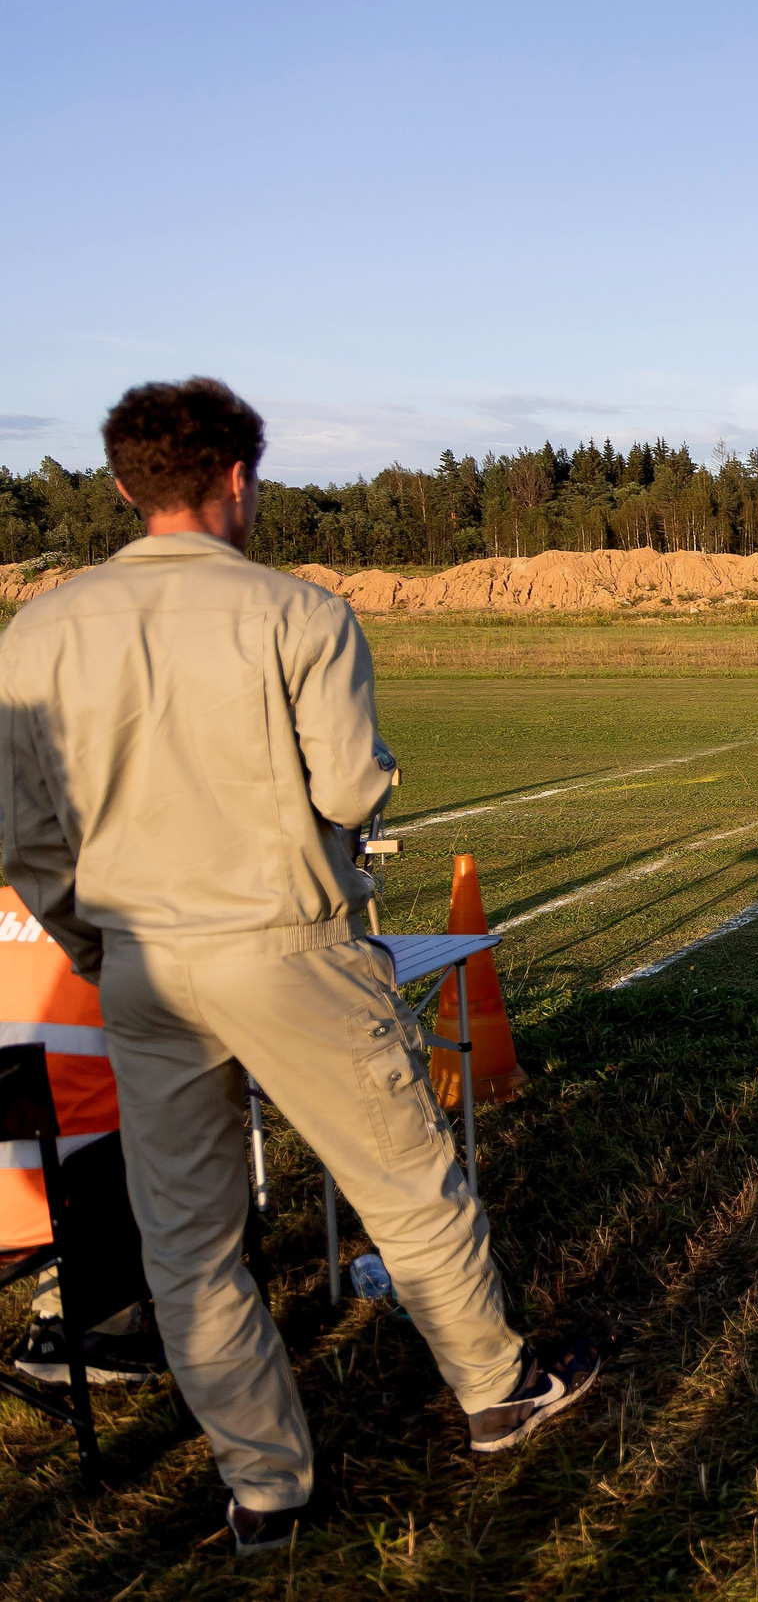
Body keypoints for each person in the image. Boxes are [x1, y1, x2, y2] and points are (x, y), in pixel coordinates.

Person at [0, 379, 597, 1555]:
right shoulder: (300, 613)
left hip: (141, 964)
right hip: (288, 945)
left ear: (124, 486)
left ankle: (265, 1484)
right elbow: (350, 787)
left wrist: (97, 946)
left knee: (188, 1240)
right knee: (406, 1185)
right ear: (238, 478)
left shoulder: (39, 632)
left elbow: (26, 837)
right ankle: (495, 1390)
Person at [0, 884, 165, 1386]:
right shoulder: (119, 927)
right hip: (57, 1206)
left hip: (28, 1189)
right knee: (162, 1130)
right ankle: (98, 1330)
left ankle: (59, 1317)